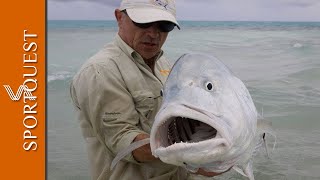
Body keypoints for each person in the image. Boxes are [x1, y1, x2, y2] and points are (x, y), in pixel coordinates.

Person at [70, 0, 226, 179]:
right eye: (143, 22)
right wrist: (196, 158)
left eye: (164, 25)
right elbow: (123, 140)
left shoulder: (164, 64)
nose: (153, 34)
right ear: (119, 17)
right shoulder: (100, 72)